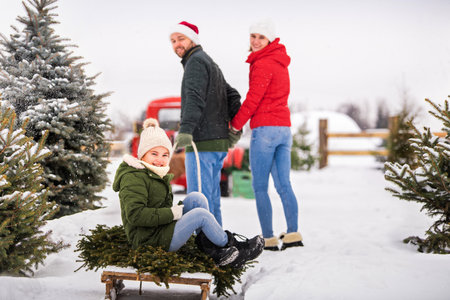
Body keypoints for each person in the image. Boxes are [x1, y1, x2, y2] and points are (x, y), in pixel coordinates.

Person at [113, 118, 263, 267]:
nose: (160, 159)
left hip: (160, 230)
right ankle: (234, 247)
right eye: (154, 153)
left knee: (197, 199)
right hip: (149, 241)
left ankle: (211, 250)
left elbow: (158, 208)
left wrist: (173, 212)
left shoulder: (154, 173)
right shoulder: (133, 178)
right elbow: (136, 215)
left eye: (165, 155)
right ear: (142, 154)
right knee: (201, 215)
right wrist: (172, 213)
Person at [230, 19, 304, 251]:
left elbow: (254, 99)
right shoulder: (281, 62)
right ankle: (293, 234)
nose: (255, 41)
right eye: (253, 36)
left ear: (270, 40)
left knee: (260, 187)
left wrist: (235, 124)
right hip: (284, 130)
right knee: (284, 185)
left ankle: (269, 239)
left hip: (265, 130)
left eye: (261, 37)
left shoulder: (262, 63)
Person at [169, 21, 242, 226]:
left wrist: (186, 129)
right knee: (211, 201)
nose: (176, 44)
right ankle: (217, 245)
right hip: (217, 145)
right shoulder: (209, 62)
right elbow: (233, 95)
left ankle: (205, 248)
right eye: (173, 41)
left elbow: (193, 98)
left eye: (181, 39)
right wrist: (235, 128)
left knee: (198, 202)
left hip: (202, 143)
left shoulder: (195, 62)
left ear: (193, 39)